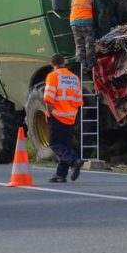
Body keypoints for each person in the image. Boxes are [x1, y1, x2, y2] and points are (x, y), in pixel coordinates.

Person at [43, 54, 83, 183]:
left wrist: (49, 113)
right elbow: (78, 101)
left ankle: (74, 161)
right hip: (70, 117)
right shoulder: (74, 78)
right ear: (64, 63)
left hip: (57, 115)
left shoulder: (53, 76)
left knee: (54, 143)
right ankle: (61, 174)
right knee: (65, 145)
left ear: (52, 64)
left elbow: (49, 98)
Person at [70, 0, 96, 74]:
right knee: (89, 42)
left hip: (74, 23)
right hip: (86, 21)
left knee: (79, 45)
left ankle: (81, 66)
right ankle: (90, 64)